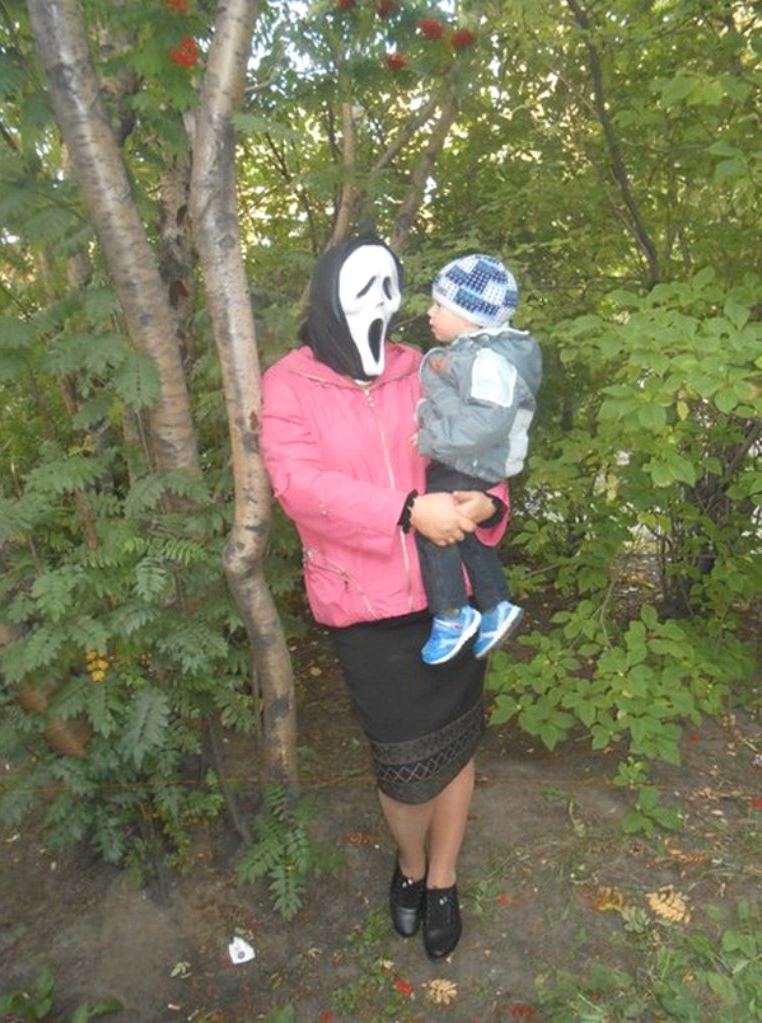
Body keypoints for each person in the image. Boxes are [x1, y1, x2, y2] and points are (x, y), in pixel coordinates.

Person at [260, 236, 510, 960]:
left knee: (457, 740)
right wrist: (405, 511)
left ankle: (443, 877)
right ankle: (409, 863)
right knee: (403, 768)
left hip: (451, 595)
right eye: (363, 284)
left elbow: (477, 446)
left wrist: (489, 502)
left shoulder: (427, 367)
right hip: (364, 605)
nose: (382, 300)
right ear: (328, 293)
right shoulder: (289, 383)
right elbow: (299, 487)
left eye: (389, 284)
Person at [414, 254, 543, 666]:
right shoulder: (477, 353)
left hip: (468, 462)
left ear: (469, 317)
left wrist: (431, 436)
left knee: (435, 531)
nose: (430, 312)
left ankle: (452, 614)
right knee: (466, 533)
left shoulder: (490, 361)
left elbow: (486, 424)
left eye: (440, 305)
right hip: (470, 461)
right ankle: (495, 605)